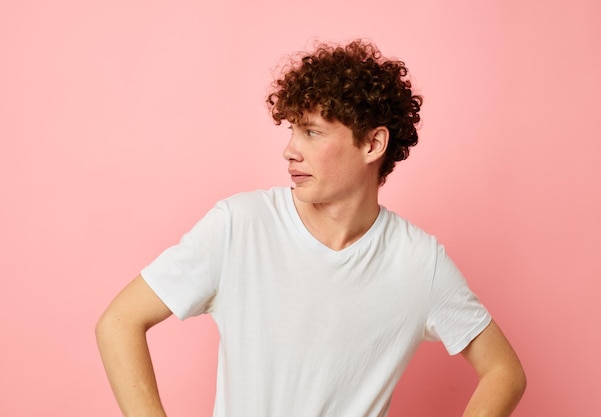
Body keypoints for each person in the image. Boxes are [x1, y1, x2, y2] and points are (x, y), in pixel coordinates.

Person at [96, 39, 526, 417]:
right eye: (291, 130)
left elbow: (504, 372)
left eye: (312, 132)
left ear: (373, 144)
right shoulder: (241, 226)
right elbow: (119, 321)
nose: (289, 150)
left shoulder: (419, 262)